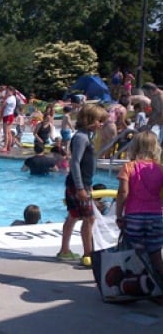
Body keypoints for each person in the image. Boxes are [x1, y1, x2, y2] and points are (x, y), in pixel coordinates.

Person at [56, 103, 108, 267]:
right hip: (78, 185)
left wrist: (87, 185)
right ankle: (88, 254)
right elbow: (75, 162)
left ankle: (64, 250)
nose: (101, 124)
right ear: (90, 120)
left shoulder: (85, 136)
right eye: (99, 121)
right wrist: (80, 188)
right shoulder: (81, 138)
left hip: (81, 183)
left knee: (73, 216)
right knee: (90, 218)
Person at [115, 130, 163, 284]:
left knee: (136, 253)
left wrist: (118, 215)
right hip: (156, 215)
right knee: (155, 253)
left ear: (134, 147)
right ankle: (159, 287)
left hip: (134, 215)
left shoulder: (129, 167)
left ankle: (138, 285)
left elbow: (123, 192)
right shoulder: (160, 169)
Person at [0, 87, 17, 152]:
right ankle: (9, 146)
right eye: (6, 91)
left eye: (8, 91)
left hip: (8, 116)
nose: (6, 93)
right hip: (9, 115)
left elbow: (3, 106)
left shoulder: (10, 98)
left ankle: (5, 147)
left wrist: (1, 116)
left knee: (6, 132)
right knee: (9, 132)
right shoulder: (12, 98)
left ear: (12, 92)